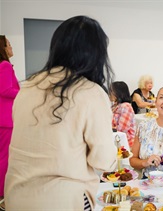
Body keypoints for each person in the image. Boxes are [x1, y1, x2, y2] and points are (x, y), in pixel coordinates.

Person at [4, 16, 117, 210]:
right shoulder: (90, 92)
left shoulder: (28, 87)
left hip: (16, 196)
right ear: (96, 54)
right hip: (64, 200)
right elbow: (103, 161)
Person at [0, 35, 20, 210]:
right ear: (3, 48)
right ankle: (3, 196)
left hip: (3, 119)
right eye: (9, 44)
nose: (11, 47)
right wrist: (24, 92)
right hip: (6, 120)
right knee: (5, 159)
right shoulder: (4, 65)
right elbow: (6, 89)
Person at [109, 81, 136, 148]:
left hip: (125, 142)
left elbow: (122, 129)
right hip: (115, 138)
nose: (109, 93)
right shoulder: (115, 106)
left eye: (111, 91)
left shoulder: (126, 107)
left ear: (118, 93)